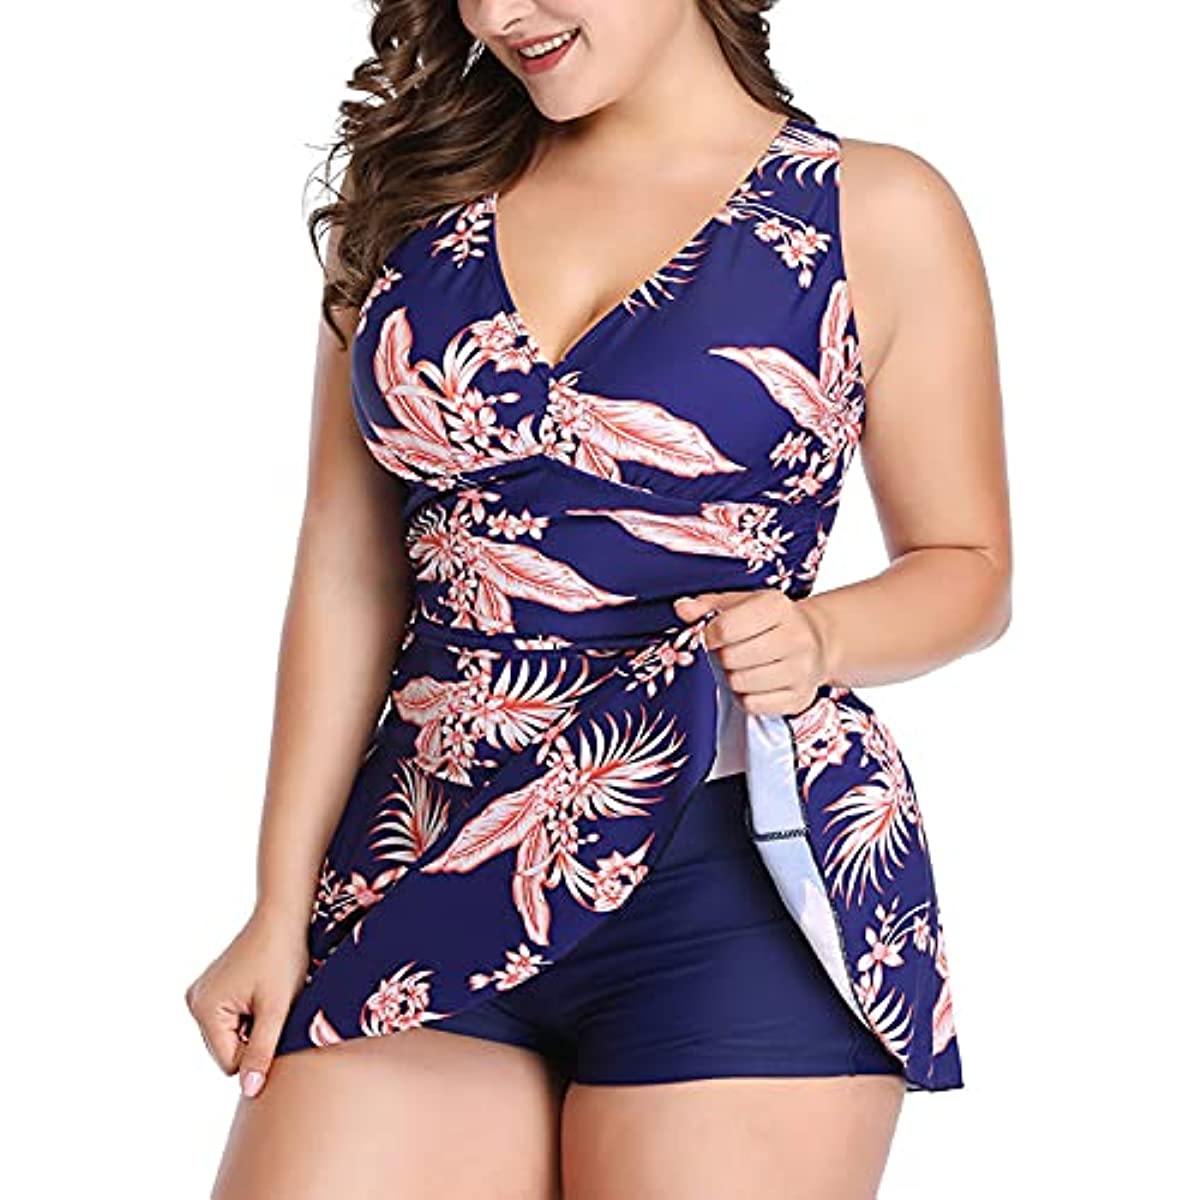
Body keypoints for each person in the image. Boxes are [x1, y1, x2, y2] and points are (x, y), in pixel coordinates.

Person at [186, 2, 1010, 1196]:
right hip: (420, 856)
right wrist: (277, 903)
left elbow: (969, 564)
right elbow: (348, 566)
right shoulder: (415, 195)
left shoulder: (869, 209)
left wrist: (826, 632)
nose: (500, 13)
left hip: (734, 882)